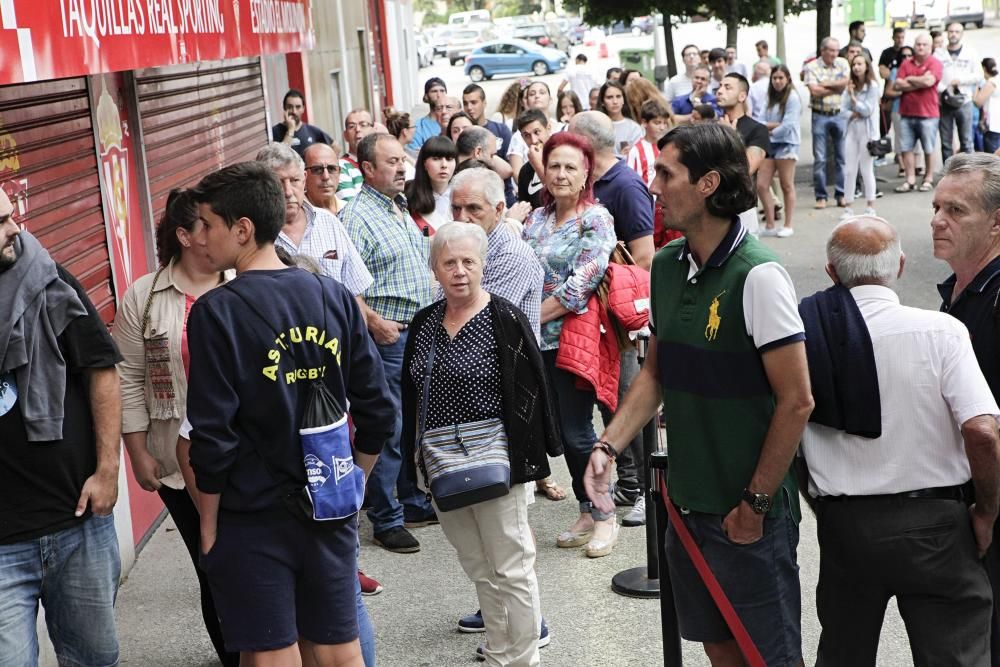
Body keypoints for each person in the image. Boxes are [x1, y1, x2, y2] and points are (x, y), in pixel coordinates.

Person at [584, 122, 813, 667]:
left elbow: (797, 400)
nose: (653, 186)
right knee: (717, 647)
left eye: (666, 173)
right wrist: (607, 446)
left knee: (769, 657)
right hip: (686, 506)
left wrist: (754, 504)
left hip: (748, 514)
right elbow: (656, 375)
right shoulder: (664, 265)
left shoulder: (758, 275)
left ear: (708, 183)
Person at [184, 161, 394, 666]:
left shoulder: (217, 311)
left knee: (271, 654)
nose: (199, 239)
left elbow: (213, 435)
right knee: (339, 650)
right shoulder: (334, 295)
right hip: (330, 502)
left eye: (208, 226)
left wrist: (208, 522)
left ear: (243, 229)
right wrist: (354, 482)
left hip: (251, 512)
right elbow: (378, 409)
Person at [802, 215, 998, 666]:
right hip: (937, 523)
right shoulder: (941, 331)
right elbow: (982, 431)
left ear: (832, 272)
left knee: (845, 653)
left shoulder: (806, 335)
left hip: (848, 522)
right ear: (901, 266)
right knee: (956, 655)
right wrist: (986, 510)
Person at [400, 222, 559, 666]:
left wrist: (531, 465)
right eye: (449, 262)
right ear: (435, 269)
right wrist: (415, 465)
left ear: (484, 265)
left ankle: (523, 657)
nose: (459, 271)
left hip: (497, 459)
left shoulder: (503, 318)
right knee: (477, 565)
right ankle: (499, 647)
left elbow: (531, 393)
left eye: (469, 261)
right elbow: (411, 396)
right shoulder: (425, 323)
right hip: (441, 463)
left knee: (511, 565)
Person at [112, 190, 237, 667]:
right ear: (185, 236)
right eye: (209, 224)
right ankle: (234, 655)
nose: (221, 231)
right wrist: (138, 452)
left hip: (248, 456)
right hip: (176, 464)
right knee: (211, 566)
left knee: (254, 561)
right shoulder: (145, 297)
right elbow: (126, 376)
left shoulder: (242, 280)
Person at [0, 191, 123, 667]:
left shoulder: (48, 282)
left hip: (77, 521)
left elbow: (102, 369)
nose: (16, 228)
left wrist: (108, 470)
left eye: (13, 214)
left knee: (94, 659)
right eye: (3, 220)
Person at [522, 132, 619, 556]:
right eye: (554, 165)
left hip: (572, 340)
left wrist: (531, 316)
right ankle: (585, 508)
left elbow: (583, 280)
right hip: (533, 341)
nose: (560, 174)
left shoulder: (596, 219)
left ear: (586, 175)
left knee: (578, 431)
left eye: (570, 167)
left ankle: (605, 513)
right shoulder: (535, 219)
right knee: (559, 430)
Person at [341, 133, 436, 553]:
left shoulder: (398, 207)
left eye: (403, 159)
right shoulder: (356, 217)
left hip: (418, 332)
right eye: (392, 161)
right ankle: (386, 518)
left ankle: (411, 501)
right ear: (367, 168)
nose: (402, 167)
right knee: (388, 426)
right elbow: (345, 287)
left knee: (411, 424)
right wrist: (375, 323)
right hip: (388, 336)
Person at [569, 111, 657, 521]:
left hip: (616, 318)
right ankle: (628, 482)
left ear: (587, 145)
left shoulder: (624, 185)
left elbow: (644, 256)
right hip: (590, 319)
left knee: (627, 401)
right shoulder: (589, 185)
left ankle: (643, 489)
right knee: (608, 401)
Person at [934, 153, 1000, 665]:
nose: (937, 220)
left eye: (956, 210)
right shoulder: (957, 289)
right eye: (937, 207)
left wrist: (988, 505)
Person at [257, 142, 374, 302]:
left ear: (304, 179)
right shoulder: (254, 234)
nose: (288, 191)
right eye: (278, 182)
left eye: (294, 180)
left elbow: (355, 296)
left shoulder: (328, 222)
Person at [716, 73, 772, 236]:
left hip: (741, 210)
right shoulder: (710, 128)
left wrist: (730, 137)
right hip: (712, 210)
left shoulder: (757, 129)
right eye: (719, 86)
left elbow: (747, 168)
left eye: (727, 87)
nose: (720, 91)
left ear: (742, 96)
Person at [805, 37, 850, 208]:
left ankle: (841, 194)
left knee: (841, 157)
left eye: (836, 50)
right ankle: (821, 196)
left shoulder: (843, 63)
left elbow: (844, 84)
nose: (834, 54)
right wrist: (835, 86)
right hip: (820, 115)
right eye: (830, 50)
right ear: (822, 50)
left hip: (839, 114)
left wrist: (826, 84)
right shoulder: (811, 66)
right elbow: (814, 91)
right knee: (820, 158)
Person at [894, 32, 942, 193]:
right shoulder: (906, 63)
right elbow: (897, 85)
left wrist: (910, 80)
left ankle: (928, 178)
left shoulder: (935, 63)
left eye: (924, 44)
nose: (920, 47)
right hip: (907, 112)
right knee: (906, 148)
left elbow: (930, 81)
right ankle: (910, 179)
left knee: (928, 148)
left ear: (931, 47)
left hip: (928, 114)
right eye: (918, 44)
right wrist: (920, 80)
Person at [759, 64, 802, 237]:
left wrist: (771, 130)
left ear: (788, 79)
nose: (777, 81)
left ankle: (788, 224)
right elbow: (760, 120)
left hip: (787, 144)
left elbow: (789, 125)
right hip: (769, 144)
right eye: (774, 78)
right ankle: (770, 224)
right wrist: (772, 127)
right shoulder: (768, 97)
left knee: (786, 184)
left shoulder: (792, 98)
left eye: (780, 78)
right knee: (761, 184)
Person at [839, 55, 880, 219]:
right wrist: (853, 112)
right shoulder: (850, 86)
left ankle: (871, 205)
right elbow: (842, 110)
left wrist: (854, 100)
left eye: (859, 64)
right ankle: (848, 205)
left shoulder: (872, 86)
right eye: (854, 64)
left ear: (866, 66)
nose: (856, 67)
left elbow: (867, 110)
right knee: (849, 170)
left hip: (867, 132)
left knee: (866, 169)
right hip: (852, 129)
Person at [935, 22, 981, 160]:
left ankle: (968, 176)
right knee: (946, 142)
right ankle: (948, 175)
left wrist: (960, 80)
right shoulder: (939, 53)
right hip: (945, 101)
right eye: (951, 31)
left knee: (966, 142)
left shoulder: (970, 52)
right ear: (947, 33)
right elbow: (935, 76)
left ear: (961, 34)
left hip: (964, 101)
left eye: (957, 31)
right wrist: (944, 88)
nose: (953, 34)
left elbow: (978, 75)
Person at [508, 81, 561, 178]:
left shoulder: (563, 129)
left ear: (550, 99)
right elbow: (517, 174)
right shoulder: (518, 136)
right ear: (526, 101)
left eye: (542, 92)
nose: (537, 96)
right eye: (532, 94)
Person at [405, 135, 458, 233]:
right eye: (436, 158)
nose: (444, 165)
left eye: (449, 159)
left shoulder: (462, 194)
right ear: (424, 163)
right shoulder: (408, 194)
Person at [271, 89, 333, 157]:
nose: (294, 111)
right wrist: (291, 130)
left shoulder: (312, 131)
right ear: (284, 108)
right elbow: (280, 158)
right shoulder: (274, 132)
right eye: (290, 107)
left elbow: (335, 146)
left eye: (298, 107)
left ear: (303, 108)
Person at [628, 99, 672, 186]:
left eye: (665, 123)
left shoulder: (668, 147)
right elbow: (630, 180)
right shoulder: (636, 151)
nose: (662, 127)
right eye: (657, 123)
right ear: (644, 123)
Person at [516, 109, 552, 210]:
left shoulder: (563, 158)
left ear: (548, 128)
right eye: (527, 135)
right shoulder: (525, 171)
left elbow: (561, 197)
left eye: (537, 132)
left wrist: (538, 165)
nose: (533, 140)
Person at [597, 80, 643, 157]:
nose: (615, 101)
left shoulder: (634, 128)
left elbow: (639, 156)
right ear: (602, 102)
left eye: (618, 96)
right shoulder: (597, 126)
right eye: (609, 97)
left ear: (623, 99)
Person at [338, 108, 375, 202]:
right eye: (351, 126)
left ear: (373, 131)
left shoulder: (380, 164)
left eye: (363, 125)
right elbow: (350, 206)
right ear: (345, 135)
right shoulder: (341, 167)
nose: (358, 129)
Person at [303, 143, 349, 215]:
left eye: (331, 169)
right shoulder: (296, 216)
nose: (326, 177)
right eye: (317, 169)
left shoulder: (349, 210)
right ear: (304, 176)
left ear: (339, 173)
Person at [409, 77, 448, 152]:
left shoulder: (455, 122)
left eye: (442, 91)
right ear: (426, 96)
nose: (439, 95)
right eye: (434, 91)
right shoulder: (419, 126)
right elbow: (414, 153)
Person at [383, 107, 417, 179]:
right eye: (413, 127)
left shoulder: (407, 151)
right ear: (405, 131)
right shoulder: (395, 157)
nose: (415, 130)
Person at [975, 58, 1000, 153]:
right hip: (997, 125)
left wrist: (977, 85)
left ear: (984, 69)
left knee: (992, 160)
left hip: (993, 125)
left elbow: (977, 101)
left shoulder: (992, 82)